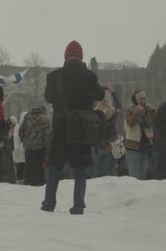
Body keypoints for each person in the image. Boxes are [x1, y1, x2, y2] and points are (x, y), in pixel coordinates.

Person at [41, 40, 105, 214]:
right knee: (80, 168)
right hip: (81, 128)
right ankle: (78, 206)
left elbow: (48, 98)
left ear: (65, 56)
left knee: (54, 166)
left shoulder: (53, 76)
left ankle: (49, 204)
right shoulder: (90, 76)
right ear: (81, 56)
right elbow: (100, 95)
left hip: (61, 127)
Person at [124, 90, 156, 180]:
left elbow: (153, 123)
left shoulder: (148, 109)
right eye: (140, 99)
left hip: (145, 146)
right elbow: (129, 123)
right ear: (135, 99)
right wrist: (136, 112)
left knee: (143, 174)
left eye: (144, 98)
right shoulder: (130, 109)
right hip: (133, 146)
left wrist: (153, 111)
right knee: (134, 176)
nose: (142, 101)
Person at [19, 105, 51, 186]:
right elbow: (48, 136)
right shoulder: (45, 119)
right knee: (39, 169)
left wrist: (25, 142)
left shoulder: (27, 117)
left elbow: (21, 132)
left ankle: (28, 182)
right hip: (41, 149)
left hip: (28, 148)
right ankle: (38, 184)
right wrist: (48, 148)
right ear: (43, 111)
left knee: (28, 167)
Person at [92, 88, 120, 177]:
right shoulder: (113, 113)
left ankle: (97, 187)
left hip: (98, 145)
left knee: (98, 170)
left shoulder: (94, 114)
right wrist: (113, 92)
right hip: (110, 145)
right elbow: (118, 105)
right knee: (110, 169)